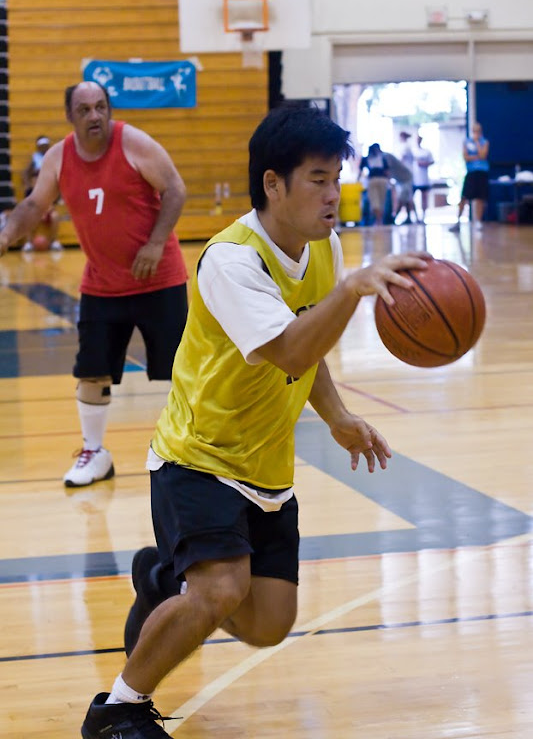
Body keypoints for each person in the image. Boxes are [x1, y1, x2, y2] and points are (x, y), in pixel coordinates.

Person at [79, 105, 431, 738]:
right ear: (274, 184)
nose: (333, 194)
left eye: (336, 178)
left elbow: (308, 346)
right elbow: (290, 348)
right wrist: (351, 292)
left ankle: (163, 580)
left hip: (266, 464)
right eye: (318, 179)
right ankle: (118, 710)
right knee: (219, 591)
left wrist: (340, 417)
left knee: (267, 624)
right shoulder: (231, 261)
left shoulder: (324, 247)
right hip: (198, 457)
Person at [0, 81, 189, 487]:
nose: (95, 116)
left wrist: (156, 243)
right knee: (92, 371)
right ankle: (94, 452)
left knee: (181, 370)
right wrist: (6, 234)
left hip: (159, 279)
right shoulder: (58, 158)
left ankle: (193, 448)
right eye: (84, 109)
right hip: (103, 285)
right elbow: (35, 204)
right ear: (70, 116)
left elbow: (175, 188)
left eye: (101, 107)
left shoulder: (133, 143)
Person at [21, 135, 63, 251]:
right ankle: (29, 243)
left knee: (55, 216)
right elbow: (26, 174)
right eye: (41, 146)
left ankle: (54, 242)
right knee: (28, 216)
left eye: (45, 146)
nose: (43, 148)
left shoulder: (52, 159)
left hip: (48, 207)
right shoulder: (35, 159)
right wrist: (28, 184)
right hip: (36, 210)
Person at [450, 122, 489, 232]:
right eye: (474, 131)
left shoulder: (484, 142)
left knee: (480, 198)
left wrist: (477, 144)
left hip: (482, 173)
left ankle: (478, 222)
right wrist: (477, 156)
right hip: (471, 173)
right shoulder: (466, 142)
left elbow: (483, 155)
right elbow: (466, 157)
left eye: (478, 131)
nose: (476, 133)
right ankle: (457, 222)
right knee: (464, 197)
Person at [382, 151, 418, 225]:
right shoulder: (384, 157)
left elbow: (387, 170)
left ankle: (394, 219)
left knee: (402, 199)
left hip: (406, 178)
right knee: (407, 199)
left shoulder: (386, 156)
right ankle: (409, 218)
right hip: (400, 180)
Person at [358, 142, 389, 224]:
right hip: (380, 180)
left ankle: (378, 219)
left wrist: (357, 180)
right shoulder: (382, 158)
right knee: (379, 200)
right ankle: (379, 220)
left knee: (375, 200)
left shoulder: (371, 158)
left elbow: (360, 171)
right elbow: (387, 171)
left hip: (374, 180)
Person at [412, 134, 435, 222]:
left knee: (424, 197)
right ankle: (415, 216)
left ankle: (423, 216)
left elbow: (432, 161)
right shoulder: (413, 151)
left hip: (424, 178)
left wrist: (425, 164)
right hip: (414, 179)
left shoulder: (426, 152)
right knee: (411, 198)